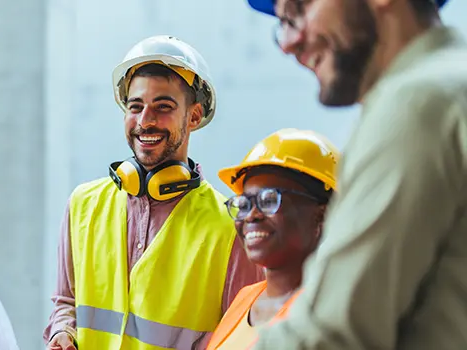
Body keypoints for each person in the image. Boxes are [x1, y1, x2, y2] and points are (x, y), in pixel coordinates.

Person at [243, 0, 467, 348]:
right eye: (284, 23)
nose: (289, 43)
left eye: (299, 9)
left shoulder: (414, 106)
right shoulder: (451, 85)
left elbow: (329, 335)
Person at [44, 35, 264, 350]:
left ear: (194, 116)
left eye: (163, 107)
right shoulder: (83, 204)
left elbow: (242, 339)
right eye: (136, 106)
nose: (145, 121)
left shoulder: (230, 227)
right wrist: (63, 333)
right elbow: (66, 301)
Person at [204, 128, 340, 349]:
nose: (252, 215)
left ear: (322, 214)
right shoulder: (246, 298)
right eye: (244, 204)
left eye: (269, 200)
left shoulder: (328, 316)